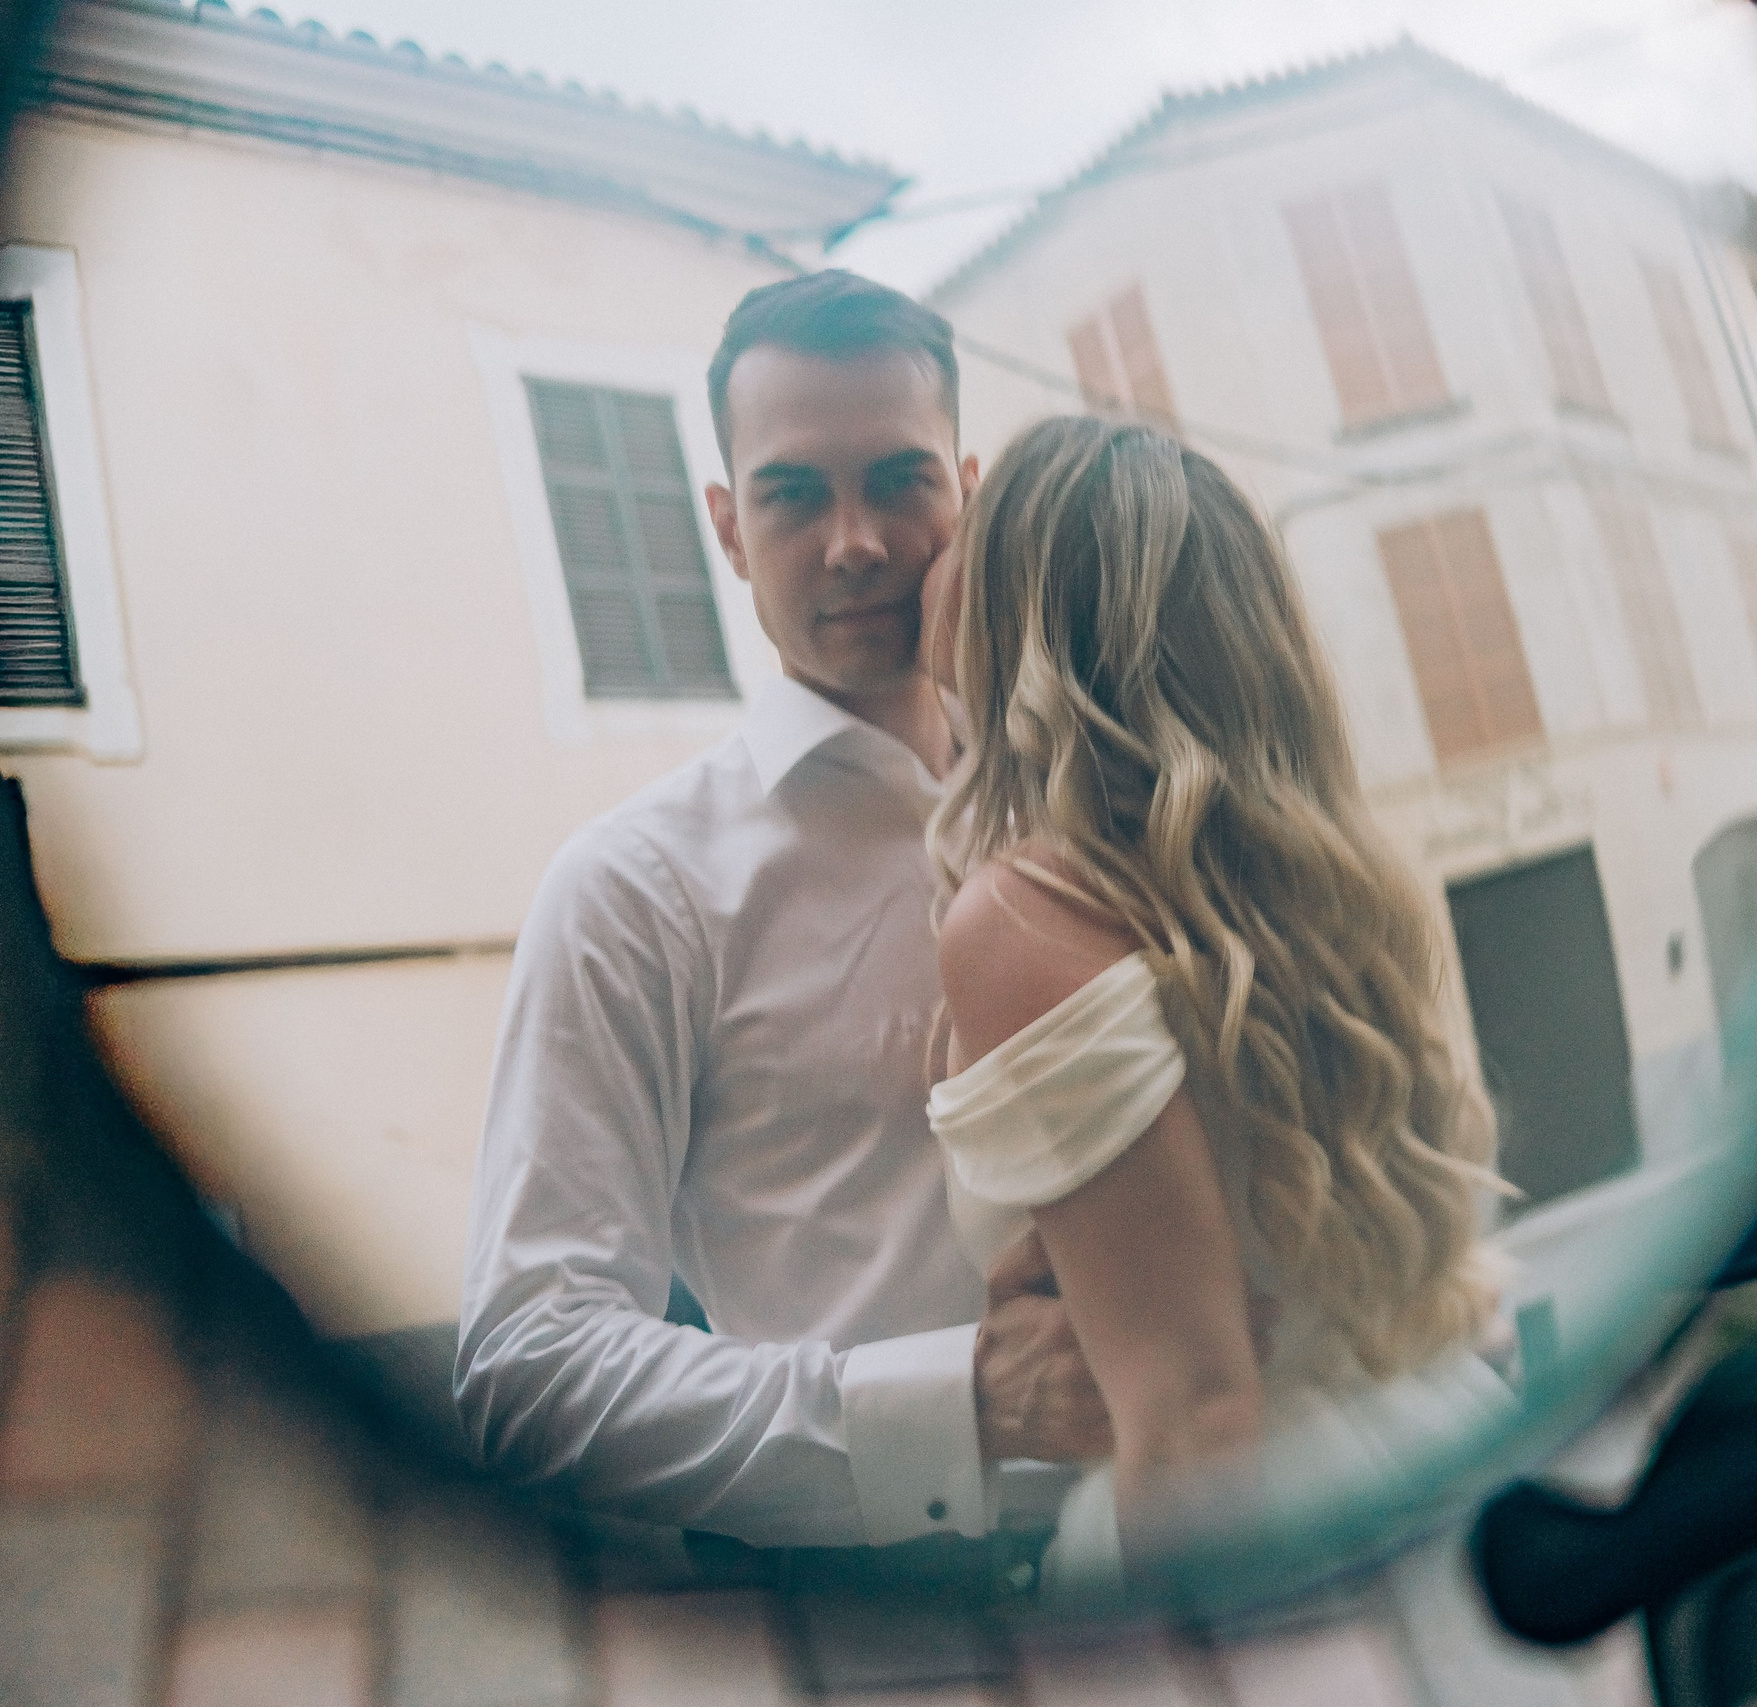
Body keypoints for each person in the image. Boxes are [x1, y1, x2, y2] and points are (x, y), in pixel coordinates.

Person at [455, 273, 1108, 1572]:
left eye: (900, 479)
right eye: (794, 493)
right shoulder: (632, 891)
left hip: (1202, 1529)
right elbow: (525, 1366)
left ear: (967, 488)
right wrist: (956, 1408)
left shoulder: (1098, 796)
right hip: (888, 1616)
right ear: (726, 527)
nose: (856, 540)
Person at [918, 416, 1516, 1593]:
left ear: (1015, 613)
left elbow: (1196, 1421)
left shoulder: (1021, 919)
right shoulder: (1308, 885)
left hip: (1256, 1543)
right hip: (1422, 1445)